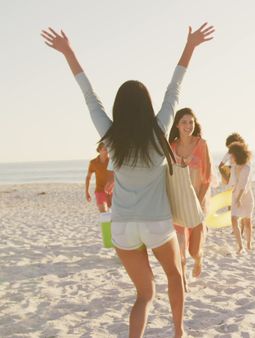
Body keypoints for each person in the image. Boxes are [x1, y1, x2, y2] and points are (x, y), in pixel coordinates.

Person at [41, 23, 214, 338]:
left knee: (144, 295)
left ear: (119, 108)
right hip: (156, 223)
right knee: (175, 277)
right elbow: (174, 88)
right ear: (146, 106)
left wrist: (69, 52)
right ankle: (179, 332)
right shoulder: (159, 129)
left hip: (122, 226)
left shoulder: (110, 136)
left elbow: (89, 95)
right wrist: (190, 46)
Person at [168, 108, 212, 290]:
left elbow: (207, 176)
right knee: (179, 246)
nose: (188, 126)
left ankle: (199, 259)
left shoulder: (201, 144)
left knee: (194, 250)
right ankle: (183, 280)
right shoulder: (171, 147)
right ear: (177, 124)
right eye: (184, 122)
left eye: (191, 122)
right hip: (178, 202)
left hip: (198, 201)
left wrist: (198, 202)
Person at [228, 142, 254, 254]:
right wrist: (232, 198)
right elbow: (232, 183)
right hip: (235, 195)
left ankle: (248, 243)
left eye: (232, 155)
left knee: (247, 221)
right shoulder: (233, 167)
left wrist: (238, 199)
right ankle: (240, 246)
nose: (230, 157)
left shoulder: (247, 167)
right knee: (234, 220)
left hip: (246, 196)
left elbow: (243, 185)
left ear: (237, 155)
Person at [85, 142, 113, 212]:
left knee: (115, 214)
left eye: (108, 150)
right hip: (100, 191)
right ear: (99, 150)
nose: (107, 151)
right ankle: (106, 223)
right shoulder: (93, 163)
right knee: (104, 213)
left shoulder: (111, 161)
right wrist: (87, 192)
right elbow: (88, 177)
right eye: (105, 149)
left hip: (112, 191)